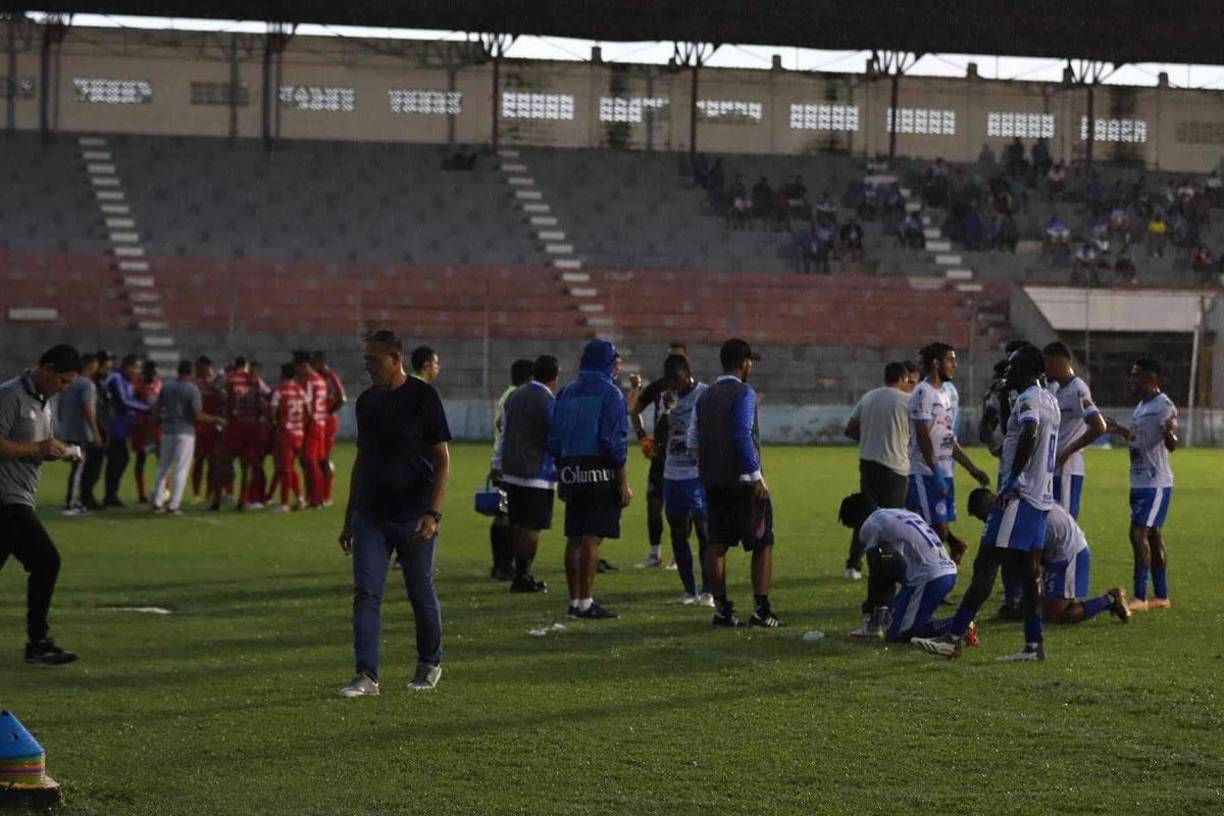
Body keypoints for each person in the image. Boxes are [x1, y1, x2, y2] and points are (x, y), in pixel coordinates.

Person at [912, 344, 1060, 661]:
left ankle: (954, 637)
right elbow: (1016, 432)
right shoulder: (1049, 400)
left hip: (1018, 498)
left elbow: (1029, 433)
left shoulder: (1029, 399)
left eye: (1014, 366)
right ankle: (1034, 644)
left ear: (1030, 369)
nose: (1008, 371)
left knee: (986, 564)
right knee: (1029, 570)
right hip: (1041, 498)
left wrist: (1013, 479)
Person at [338, 330, 451, 698]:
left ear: (395, 358)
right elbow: (361, 458)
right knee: (366, 594)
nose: (367, 366)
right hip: (370, 515)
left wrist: (433, 513)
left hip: (414, 515)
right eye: (366, 359)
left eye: (373, 359)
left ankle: (430, 663)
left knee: (420, 592)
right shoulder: (367, 403)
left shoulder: (423, 398)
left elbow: (442, 457)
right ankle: (366, 676)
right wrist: (348, 518)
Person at [0, 344, 84, 664]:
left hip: (20, 495)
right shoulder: (9, 395)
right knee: (47, 560)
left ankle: (38, 642)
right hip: (7, 498)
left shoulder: (44, 401)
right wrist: (38, 447)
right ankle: (38, 642)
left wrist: (54, 452)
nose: (65, 389)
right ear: (46, 369)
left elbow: (33, 449)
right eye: (63, 381)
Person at [690, 338, 782, 628]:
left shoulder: (704, 396)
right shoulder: (744, 392)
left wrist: (709, 467)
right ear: (744, 363)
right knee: (763, 542)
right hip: (744, 482)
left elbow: (693, 440)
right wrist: (756, 476)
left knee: (716, 545)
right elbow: (742, 434)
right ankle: (761, 609)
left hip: (713, 480)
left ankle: (722, 610)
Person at [547, 338, 631, 620]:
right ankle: (586, 602)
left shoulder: (566, 392)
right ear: (607, 361)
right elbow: (613, 441)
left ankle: (574, 601)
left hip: (570, 467)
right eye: (616, 359)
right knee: (592, 538)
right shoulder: (612, 394)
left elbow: (554, 439)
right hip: (599, 468)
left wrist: (562, 473)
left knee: (574, 536)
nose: (618, 365)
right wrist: (622, 481)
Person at [967, 490, 1131, 625]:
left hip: (1070, 554)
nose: (985, 522)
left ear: (991, 506)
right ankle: (1022, 606)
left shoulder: (1014, 515)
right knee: (1014, 563)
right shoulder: (1011, 504)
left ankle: (1110, 599)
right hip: (1055, 551)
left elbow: (1032, 559)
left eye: (983, 517)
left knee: (1056, 616)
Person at [906, 343, 990, 563]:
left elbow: (948, 438)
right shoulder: (922, 393)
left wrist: (972, 469)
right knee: (927, 531)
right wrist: (935, 473)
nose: (955, 365)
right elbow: (924, 438)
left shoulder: (944, 394)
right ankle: (924, 579)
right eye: (950, 360)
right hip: (924, 473)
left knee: (941, 531)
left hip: (944, 472)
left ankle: (932, 579)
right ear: (936, 363)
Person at [1105, 357, 1177, 612]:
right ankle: (1161, 595)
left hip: (1155, 482)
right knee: (1154, 535)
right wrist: (1119, 430)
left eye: (1136, 376)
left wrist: (1170, 433)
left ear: (1150, 378)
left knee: (1137, 534)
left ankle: (1139, 597)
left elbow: (1172, 442)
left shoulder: (1163, 405)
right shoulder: (1142, 406)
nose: (1131, 380)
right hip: (1139, 480)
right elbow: (1140, 439)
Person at [838, 493, 961, 642]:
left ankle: (961, 625)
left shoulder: (870, 524)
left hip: (928, 577)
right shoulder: (901, 512)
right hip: (945, 570)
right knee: (893, 632)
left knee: (905, 632)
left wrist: (871, 604)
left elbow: (875, 569)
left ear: (857, 518)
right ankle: (879, 622)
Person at [843, 362, 914, 580]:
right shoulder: (907, 401)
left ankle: (853, 565)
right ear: (902, 379)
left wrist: (867, 440)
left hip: (869, 463)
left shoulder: (869, 397)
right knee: (892, 519)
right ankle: (887, 564)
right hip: (895, 466)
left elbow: (850, 429)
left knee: (866, 515)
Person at [495, 355, 559, 595]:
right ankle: (523, 575)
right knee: (532, 527)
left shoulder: (515, 396)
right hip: (537, 472)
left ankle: (517, 571)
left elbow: (502, 427)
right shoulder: (548, 400)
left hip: (511, 470)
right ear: (554, 376)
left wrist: (498, 463)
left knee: (518, 524)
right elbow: (555, 435)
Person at [659, 354, 712, 606]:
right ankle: (689, 590)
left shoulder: (705, 394)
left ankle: (709, 590)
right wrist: (666, 411)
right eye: (670, 381)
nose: (674, 386)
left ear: (686, 374)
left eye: (676, 380)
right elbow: (660, 438)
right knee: (678, 531)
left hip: (697, 473)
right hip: (672, 474)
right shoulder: (666, 397)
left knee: (704, 530)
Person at [629, 341, 688, 569]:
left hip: (683, 458)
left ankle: (677, 555)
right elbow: (635, 411)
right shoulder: (657, 387)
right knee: (654, 505)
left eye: (678, 358)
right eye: (670, 357)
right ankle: (655, 555)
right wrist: (643, 437)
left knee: (680, 510)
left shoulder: (694, 389)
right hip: (660, 456)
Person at [151, 360, 224, 515]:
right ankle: (174, 505)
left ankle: (157, 502)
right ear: (190, 373)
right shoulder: (192, 389)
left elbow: (157, 408)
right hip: (185, 431)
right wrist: (216, 419)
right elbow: (198, 415)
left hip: (167, 430)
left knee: (163, 467)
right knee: (181, 469)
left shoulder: (167, 386)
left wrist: (156, 423)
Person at [1043, 342, 1105, 519]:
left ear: (1057, 362)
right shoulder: (1056, 389)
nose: (1045, 368)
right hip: (1053, 467)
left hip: (1067, 470)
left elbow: (1099, 426)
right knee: (1053, 526)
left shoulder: (1078, 390)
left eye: (1047, 363)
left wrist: (1068, 450)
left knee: (1066, 525)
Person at [488, 359, 535, 580]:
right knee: (506, 516)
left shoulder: (508, 395)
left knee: (505, 515)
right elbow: (502, 428)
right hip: (509, 464)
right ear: (528, 377)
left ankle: (503, 565)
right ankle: (502, 565)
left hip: (503, 463)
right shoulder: (517, 397)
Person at [103, 354, 150, 508]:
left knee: (121, 460)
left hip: (123, 429)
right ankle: (109, 496)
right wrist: (146, 409)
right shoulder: (116, 378)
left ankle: (112, 495)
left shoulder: (129, 382)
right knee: (116, 461)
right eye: (136, 367)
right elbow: (122, 402)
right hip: (114, 428)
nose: (138, 371)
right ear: (127, 367)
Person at [57, 352, 101, 516]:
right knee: (78, 468)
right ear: (91, 365)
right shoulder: (86, 384)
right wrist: (95, 432)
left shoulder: (69, 382)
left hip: (68, 431)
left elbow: (60, 407)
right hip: (81, 433)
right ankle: (70, 504)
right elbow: (88, 408)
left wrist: (63, 426)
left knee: (76, 468)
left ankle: (75, 501)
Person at [220, 357, 262, 511]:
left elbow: (221, 396)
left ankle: (219, 498)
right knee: (247, 466)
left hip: (234, 426)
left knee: (224, 461)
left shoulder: (229, 379)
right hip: (251, 426)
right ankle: (243, 500)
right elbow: (266, 397)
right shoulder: (255, 381)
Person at [268, 363, 308, 512]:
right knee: (291, 468)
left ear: (282, 374)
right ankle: (300, 498)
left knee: (285, 469)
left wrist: (275, 424)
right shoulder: (300, 390)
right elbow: (308, 411)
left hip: (285, 434)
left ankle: (285, 503)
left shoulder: (279, 390)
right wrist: (300, 424)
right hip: (299, 433)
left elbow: (272, 412)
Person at [79, 350, 112, 510]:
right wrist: (97, 430)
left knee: (96, 465)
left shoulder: (100, 381)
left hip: (102, 426)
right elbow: (92, 408)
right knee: (91, 465)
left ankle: (88, 496)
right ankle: (86, 497)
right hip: (96, 428)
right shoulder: (91, 383)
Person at [296, 351, 329, 508]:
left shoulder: (308, 381)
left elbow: (306, 406)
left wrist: (301, 425)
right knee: (312, 462)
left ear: (304, 365)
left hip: (311, 424)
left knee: (310, 462)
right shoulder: (320, 380)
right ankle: (316, 496)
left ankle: (316, 499)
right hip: (320, 423)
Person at [192, 356, 225, 505]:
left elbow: (224, 398)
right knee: (199, 460)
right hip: (199, 425)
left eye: (199, 367)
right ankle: (196, 493)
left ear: (206, 367)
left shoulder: (217, 381)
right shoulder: (194, 383)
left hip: (213, 427)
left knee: (213, 461)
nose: (197, 370)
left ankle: (209, 493)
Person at [130, 360, 162, 504]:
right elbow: (132, 403)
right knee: (141, 460)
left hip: (156, 427)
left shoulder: (158, 384)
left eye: (154, 372)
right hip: (141, 427)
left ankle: (162, 491)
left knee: (162, 461)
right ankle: (141, 493)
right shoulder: (137, 385)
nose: (153, 375)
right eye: (151, 372)